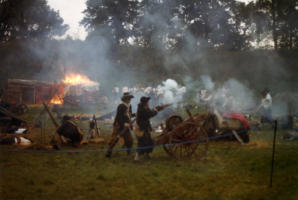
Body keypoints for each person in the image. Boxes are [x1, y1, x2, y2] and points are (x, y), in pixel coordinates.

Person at [134, 96, 164, 161]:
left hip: (145, 127)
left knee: (149, 141)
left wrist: (156, 109)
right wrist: (156, 111)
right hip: (142, 127)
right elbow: (149, 114)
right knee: (142, 142)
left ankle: (146, 154)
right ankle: (136, 157)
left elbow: (149, 111)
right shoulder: (142, 109)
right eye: (147, 102)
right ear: (145, 103)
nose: (148, 103)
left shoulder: (144, 107)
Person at [106, 92, 135, 158]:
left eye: (130, 98)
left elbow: (129, 115)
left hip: (126, 125)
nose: (129, 100)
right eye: (128, 98)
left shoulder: (129, 106)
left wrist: (135, 114)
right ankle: (109, 152)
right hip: (118, 125)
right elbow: (119, 117)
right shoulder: (121, 106)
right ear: (125, 99)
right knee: (114, 139)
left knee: (129, 140)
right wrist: (124, 124)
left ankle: (128, 152)